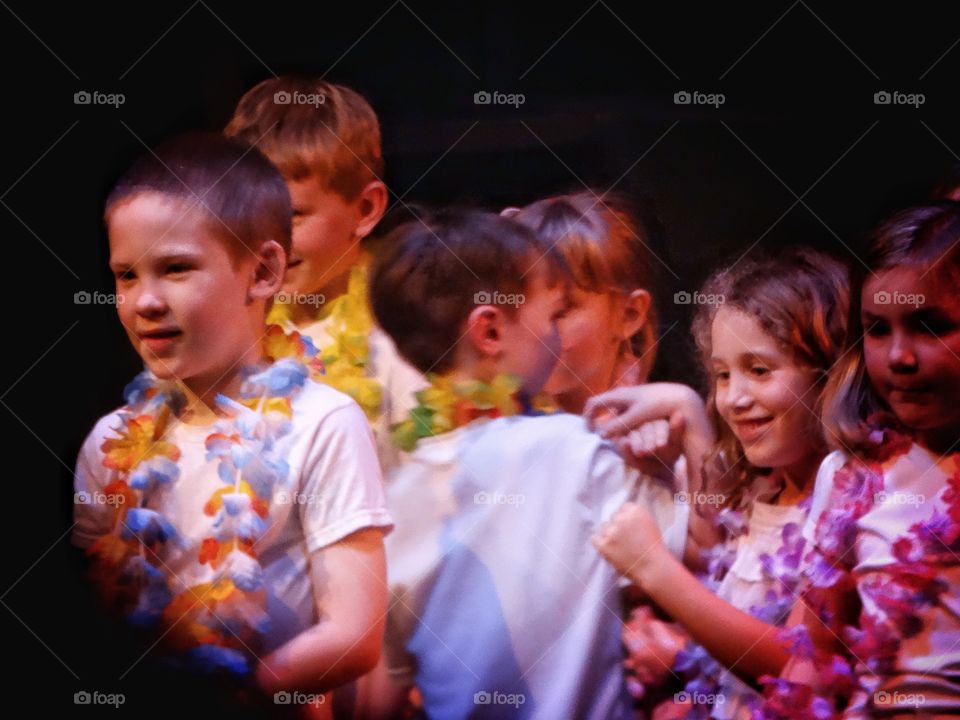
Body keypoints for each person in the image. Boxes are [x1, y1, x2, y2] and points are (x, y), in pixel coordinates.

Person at [71, 133, 392, 715]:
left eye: (175, 269)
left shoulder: (323, 423)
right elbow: (92, 609)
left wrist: (233, 695)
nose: (144, 300)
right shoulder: (110, 441)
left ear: (264, 270)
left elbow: (354, 634)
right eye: (125, 276)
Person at [357, 208, 689, 719]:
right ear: (489, 331)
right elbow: (699, 556)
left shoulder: (393, 501)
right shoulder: (576, 451)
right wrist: (693, 420)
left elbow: (378, 699)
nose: (558, 335)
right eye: (554, 314)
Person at [590, 248, 849, 719]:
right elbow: (713, 546)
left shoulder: (841, 495)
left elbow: (799, 668)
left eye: (759, 370)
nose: (734, 398)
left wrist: (655, 569)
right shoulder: (760, 493)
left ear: (828, 370)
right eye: (722, 374)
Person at [766, 202, 960, 718]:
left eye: (930, 325)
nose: (899, 355)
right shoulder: (854, 478)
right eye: (877, 329)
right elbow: (811, 658)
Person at [225, 76, 426, 473]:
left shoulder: (406, 335)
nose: (268, 244)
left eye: (291, 217)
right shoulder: (231, 333)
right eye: (248, 215)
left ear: (366, 208)